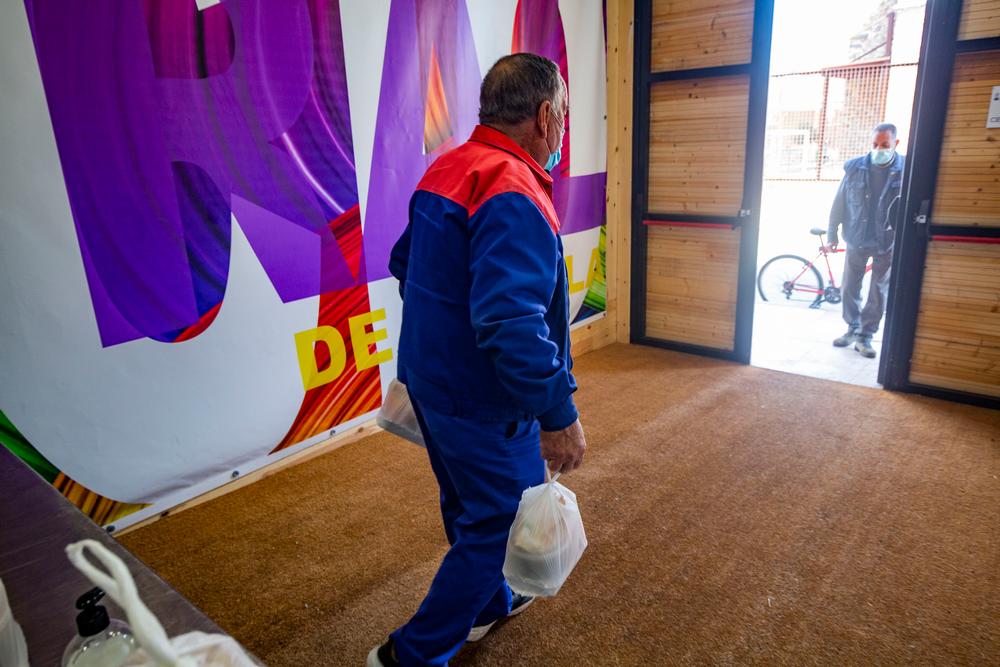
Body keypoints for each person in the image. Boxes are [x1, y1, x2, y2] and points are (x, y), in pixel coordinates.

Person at [368, 53, 588, 667]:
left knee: (468, 505)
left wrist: (445, 338)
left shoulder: (449, 167)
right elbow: (512, 323)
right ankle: (409, 656)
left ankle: (489, 605)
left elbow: (405, 262)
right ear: (546, 117)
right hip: (486, 402)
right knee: (495, 526)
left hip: (430, 386)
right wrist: (557, 412)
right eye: (564, 119)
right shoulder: (515, 191)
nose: (562, 133)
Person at [827, 123, 905, 359]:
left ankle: (865, 336)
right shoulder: (855, 169)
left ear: (895, 144)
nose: (879, 149)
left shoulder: (907, 170)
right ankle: (852, 327)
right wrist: (832, 233)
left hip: (887, 242)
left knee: (878, 291)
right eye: (874, 145)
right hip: (856, 238)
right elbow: (839, 203)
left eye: (884, 145)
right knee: (850, 286)